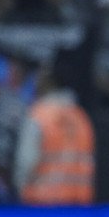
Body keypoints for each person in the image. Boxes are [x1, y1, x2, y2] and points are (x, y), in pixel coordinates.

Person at [14, 61, 95, 204]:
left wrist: (19, 191)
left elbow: (25, 162)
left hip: (41, 205)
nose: (35, 82)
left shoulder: (38, 115)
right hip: (78, 207)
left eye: (38, 78)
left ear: (48, 81)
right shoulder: (81, 117)